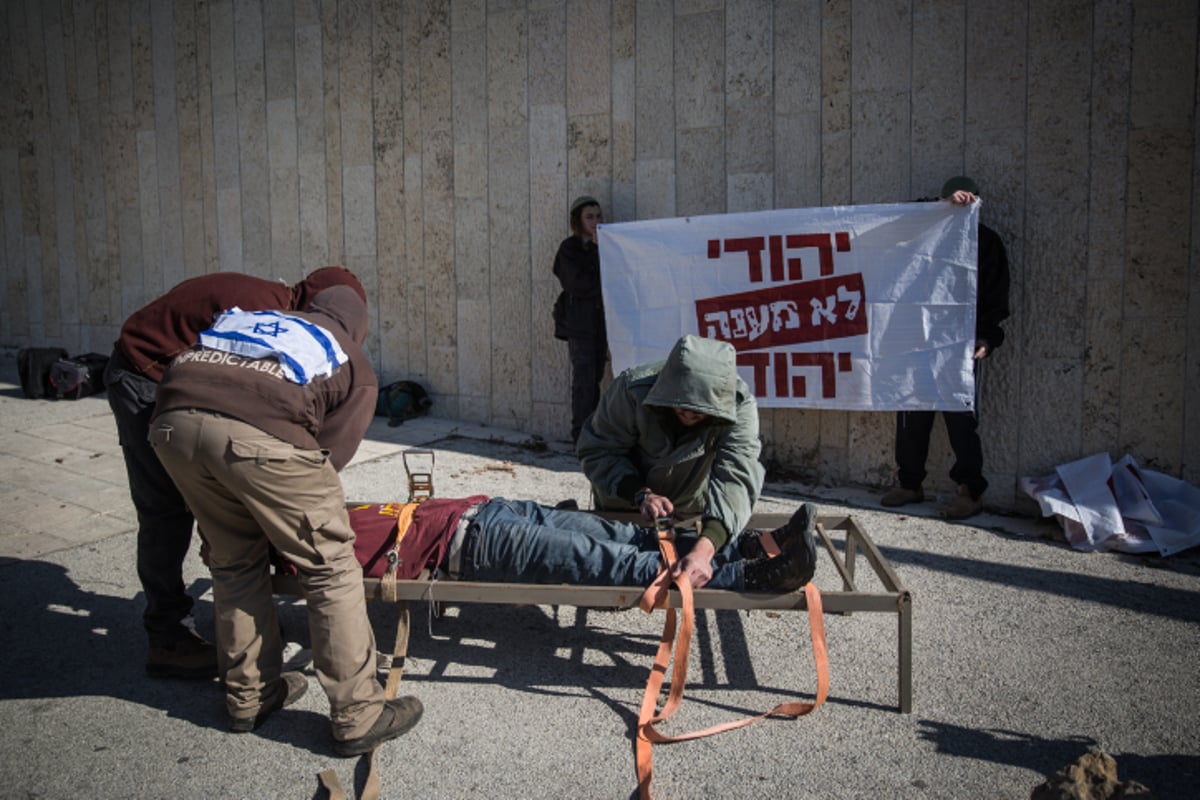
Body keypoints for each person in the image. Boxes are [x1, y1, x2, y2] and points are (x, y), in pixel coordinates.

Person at [148, 286, 423, 754]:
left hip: (171, 426)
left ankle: (249, 698)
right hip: (257, 436)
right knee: (330, 567)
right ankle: (359, 714)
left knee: (234, 562)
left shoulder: (257, 318)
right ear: (358, 324)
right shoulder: (348, 356)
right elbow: (324, 459)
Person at [103, 267, 367, 680]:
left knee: (228, 535)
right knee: (166, 513)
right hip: (146, 377)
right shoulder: (264, 312)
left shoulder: (280, 307)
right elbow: (314, 463)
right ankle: (168, 635)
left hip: (181, 390)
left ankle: (250, 659)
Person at [576, 334, 766, 591]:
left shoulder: (738, 407)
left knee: (683, 560)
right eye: (682, 405)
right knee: (616, 574)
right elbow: (598, 450)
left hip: (687, 506)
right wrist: (639, 494)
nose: (689, 413)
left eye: (699, 409)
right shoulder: (632, 390)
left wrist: (706, 546)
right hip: (623, 499)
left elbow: (736, 478)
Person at [359, 496, 818, 593]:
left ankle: (746, 548)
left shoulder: (314, 504)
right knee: (609, 561)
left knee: (627, 536)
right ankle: (751, 576)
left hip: (485, 510)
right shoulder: (306, 543)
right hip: (469, 544)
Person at [881, 176, 1011, 519]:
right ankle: (909, 483)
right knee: (911, 417)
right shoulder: (925, 237)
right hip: (917, 344)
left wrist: (986, 339)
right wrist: (941, 206)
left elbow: (997, 298)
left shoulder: (987, 243)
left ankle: (970, 490)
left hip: (960, 348)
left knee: (962, 421)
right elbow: (894, 220)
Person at [553, 195, 608, 442]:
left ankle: (590, 431)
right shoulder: (570, 249)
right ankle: (580, 436)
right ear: (578, 220)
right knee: (584, 380)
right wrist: (596, 250)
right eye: (589, 217)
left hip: (599, 324)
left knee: (594, 378)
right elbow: (581, 284)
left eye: (598, 217)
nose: (595, 222)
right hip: (579, 324)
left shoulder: (605, 245)